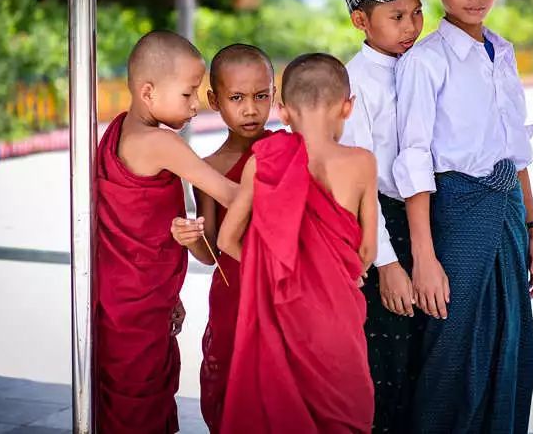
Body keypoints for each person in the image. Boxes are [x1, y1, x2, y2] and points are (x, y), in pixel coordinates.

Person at [393, 0, 533, 433]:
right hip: (454, 217)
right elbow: (413, 157)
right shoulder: (426, 61)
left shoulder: (501, 52)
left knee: (510, 348)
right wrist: (424, 258)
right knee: (450, 356)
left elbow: (515, 147)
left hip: (506, 215)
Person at [218, 53, 377, 433]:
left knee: (282, 410)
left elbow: (226, 239)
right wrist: (343, 275)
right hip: (338, 315)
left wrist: (273, 273)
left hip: (284, 312)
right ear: (348, 106)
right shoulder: (361, 163)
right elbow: (368, 249)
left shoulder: (265, 161)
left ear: (283, 112)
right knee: (346, 411)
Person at [95, 30, 237, 434]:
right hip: (136, 303)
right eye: (188, 94)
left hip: (128, 298)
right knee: (138, 403)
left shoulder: (120, 129)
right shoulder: (159, 142)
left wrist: (168, 294)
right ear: (148, 91)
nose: (196, 106)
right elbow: (227, 191)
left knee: (131, 393)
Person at [340, 0, 434, 433]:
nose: (411, 25)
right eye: (396, 16)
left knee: (426, 358)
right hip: (383, 226)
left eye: (416, 12)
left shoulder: (422, 65)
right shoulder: (355, 83)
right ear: (361, 21)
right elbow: (361, 184)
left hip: (428, 218)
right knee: (388, 364)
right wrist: (389, 264)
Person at [169, 43, 275, 433]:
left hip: (282, 294)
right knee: (231, 396)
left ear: (274, 95)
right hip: (234, 298)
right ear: (214, 100)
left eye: (261, 96)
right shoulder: (208, 169)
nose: (251, 108)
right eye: (237, 98)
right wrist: (191, 236)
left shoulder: (288, 153)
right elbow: (210, 252)